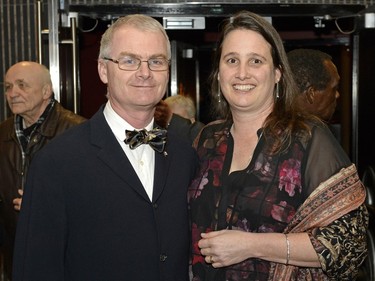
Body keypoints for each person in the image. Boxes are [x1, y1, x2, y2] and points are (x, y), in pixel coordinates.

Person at [12, 14, 198, 281]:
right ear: (102, 70)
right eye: (129, 60)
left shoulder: (184, 155)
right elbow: (35, 268)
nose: (144, 72)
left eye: (156, 61)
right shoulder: (56, 162)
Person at [188, 10, 368, 280]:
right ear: (218, 73)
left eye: (256, 61)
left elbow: (350, 246)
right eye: (232, 60)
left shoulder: (308, 138)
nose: (242, 73)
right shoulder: (207, 139)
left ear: (277, 74)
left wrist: (250, 246)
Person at [0, 61, 86, 280]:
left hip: (64, 257)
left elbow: (97, 198)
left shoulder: (78, 131)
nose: (13, 93)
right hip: (16, 255)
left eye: (22, 85)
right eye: (8, 87)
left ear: (46, 90)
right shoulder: (3, 132)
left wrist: (44, 202)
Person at [287, 48, 340, 122]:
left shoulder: (271, 127)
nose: (337, 95)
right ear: (311, 93)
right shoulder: (315, 132)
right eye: (334, 88)